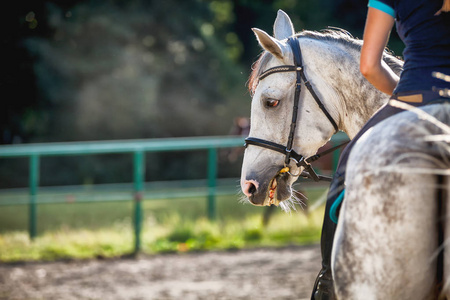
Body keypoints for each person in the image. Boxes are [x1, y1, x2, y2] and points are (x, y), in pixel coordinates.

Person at [312, 0, 450, 299]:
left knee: (347, 170)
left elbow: (369, 66)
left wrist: (407, 95)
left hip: (418, 95)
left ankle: (327, 281)